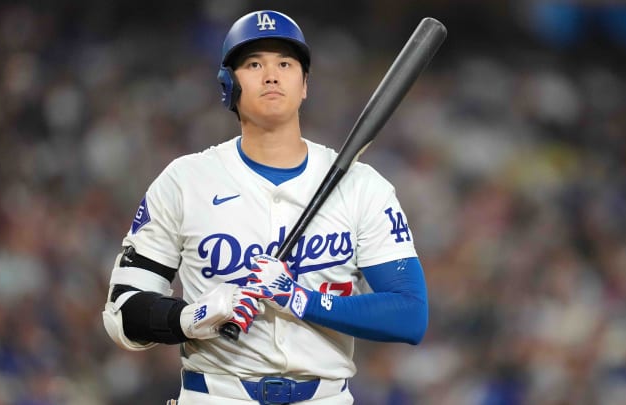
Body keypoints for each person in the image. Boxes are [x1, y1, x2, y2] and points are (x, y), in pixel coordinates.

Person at [102, 9, 429, 405]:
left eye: (286, 63)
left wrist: (299, 299)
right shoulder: (184, 181)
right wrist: (190, 318)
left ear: (305, 84)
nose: (271, 75)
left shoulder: (363, 187)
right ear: (228, 84)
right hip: (216, 396)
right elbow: (123, 312)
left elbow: (409, 314)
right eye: (254, 63)